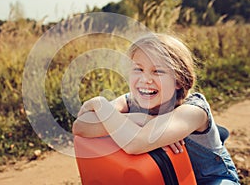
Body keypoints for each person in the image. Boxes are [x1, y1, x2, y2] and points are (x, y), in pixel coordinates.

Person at [72, 33, 240, 184]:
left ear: (179, 80)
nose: (145, 79)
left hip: (209, 179)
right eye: (138, 69)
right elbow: (80, 127)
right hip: (168, 177)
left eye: (157, 71)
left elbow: (135, 143)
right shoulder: (131, 101)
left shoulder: (194, 110)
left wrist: (107, 114)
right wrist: (102, 104)